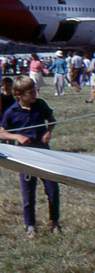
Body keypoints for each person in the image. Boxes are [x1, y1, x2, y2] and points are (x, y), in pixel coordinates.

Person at [0, 77, 60, 238]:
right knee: (28, 192)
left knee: (52, 189)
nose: (34, 94)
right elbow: (2, 132)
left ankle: (54, 222)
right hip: (25, 156)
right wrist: (17, 137)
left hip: (43, 152)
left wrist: (48, 132)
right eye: (31, 92)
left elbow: (52, 120)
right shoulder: (12, 112)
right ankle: (30, 226)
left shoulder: (40, 105)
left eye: (34, 90)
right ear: (19, 94)